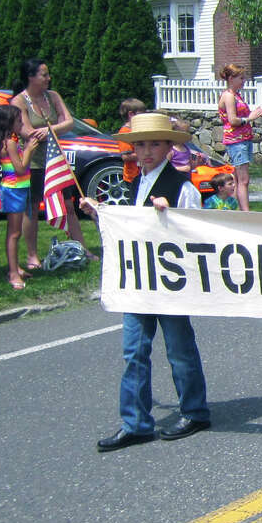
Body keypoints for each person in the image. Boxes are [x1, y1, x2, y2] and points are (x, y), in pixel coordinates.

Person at [79, 112, 211, 452]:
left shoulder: (181, 187)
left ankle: (194, 410)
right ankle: (135, 422)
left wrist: (172, 216)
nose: (147, 151)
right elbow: (125, 228)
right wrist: (100, 213)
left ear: (169, 147)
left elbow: (198, 231)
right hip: (138, 282)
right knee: (134, 350)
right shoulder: (133, 186)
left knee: (179, 348)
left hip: (169, 283)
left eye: (154, 144)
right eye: (140, 145)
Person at [11, 59, 94, 266]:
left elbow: (69, 122)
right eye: (44, 75)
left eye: (48, 74)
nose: (49, 78)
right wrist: (50, 130)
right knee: (31, 208)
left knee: (68, 205)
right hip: (33, 162)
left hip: (56, 160)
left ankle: (81, 248)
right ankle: (32, 256)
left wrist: (49, 130)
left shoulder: (53, 96)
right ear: (30, 77)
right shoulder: (19, 102)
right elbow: (27, 132)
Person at [0, 104, 39, 290]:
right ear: (9, 123)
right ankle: (12, 273)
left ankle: (15, 267)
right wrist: (29, 150)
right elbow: (20, 169)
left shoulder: (11, 139)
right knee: (14, 233)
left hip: (18, 189)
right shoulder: (9, 142)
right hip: (13, 190)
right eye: (19, 121)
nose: (21, 124)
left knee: (14, 233)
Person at [217, 64, 262, 211]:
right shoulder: (228, 96)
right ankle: (245, 213)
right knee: (243, 179)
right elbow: (232, 120)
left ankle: (238, 210)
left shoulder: (236, 95)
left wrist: (255, 114)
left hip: (243, 139)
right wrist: (249, 118)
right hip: (236, 141)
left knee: (238, 179)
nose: (244, 80)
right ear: (231, 78)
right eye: (241, 77)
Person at [116, 98, 148, 185]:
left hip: (144, 174)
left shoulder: (138, 129)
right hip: (133, 177)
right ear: (131, 114)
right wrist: (146, 154)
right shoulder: (125, 132)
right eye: (141, 114)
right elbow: (126, 157)